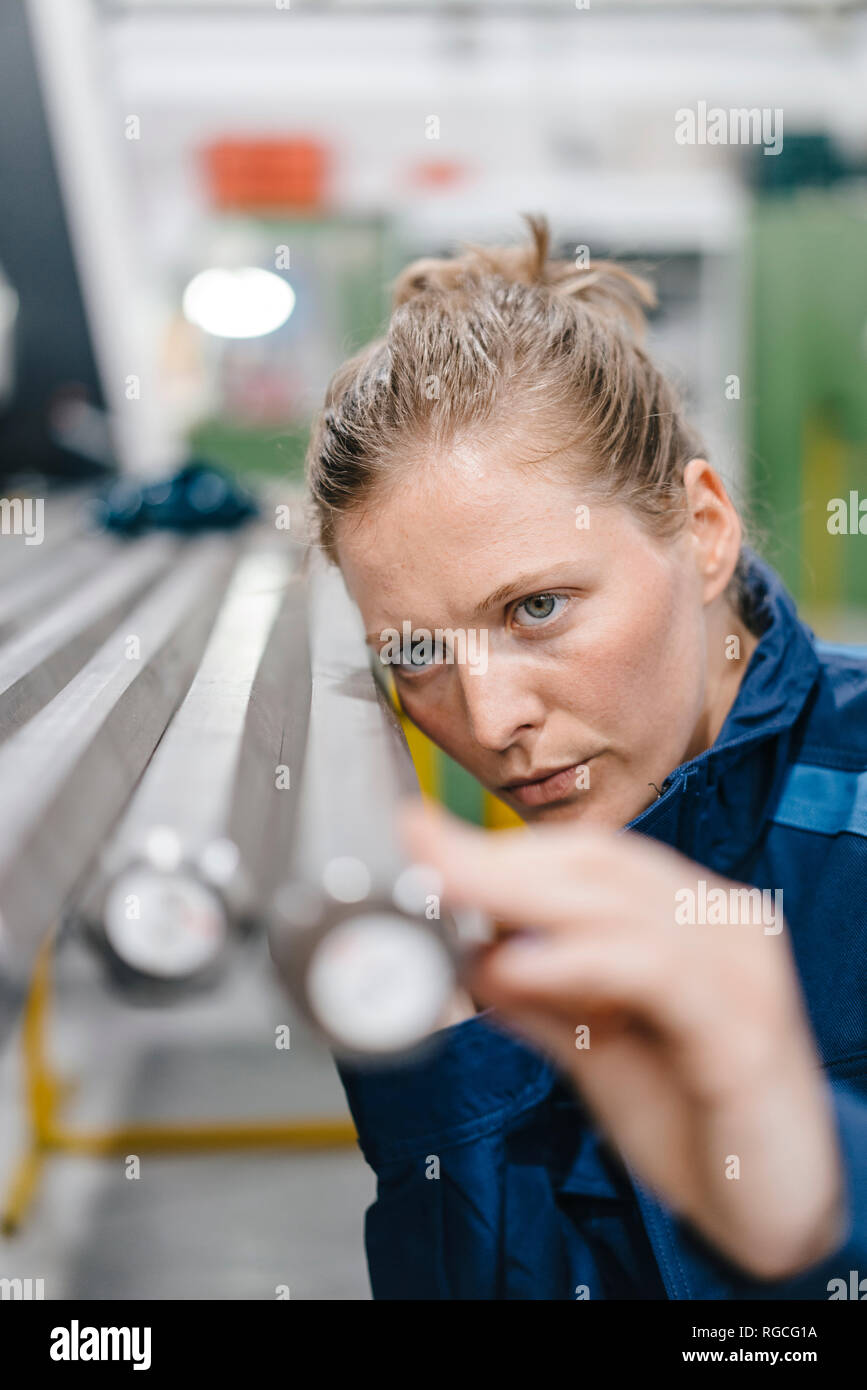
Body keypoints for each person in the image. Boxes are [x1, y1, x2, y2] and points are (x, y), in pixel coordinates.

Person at [305, 215, 867, 1300]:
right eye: (416, 652)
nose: (489, 718)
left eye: (538, 607)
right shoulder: (496, 952)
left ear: (703, 529)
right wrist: (449, 1082)